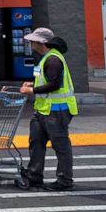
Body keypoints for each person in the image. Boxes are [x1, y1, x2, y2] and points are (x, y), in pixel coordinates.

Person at [19, 27, 77, 191]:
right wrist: (33, 83)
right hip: (44, 110)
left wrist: (31, 90)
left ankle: (65, 180)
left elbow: (54, 84)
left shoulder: (53, 60)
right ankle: (34, 175)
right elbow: (47, 79)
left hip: (57, 111)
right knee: (36, 141)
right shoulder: (45, 58)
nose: (30, 43)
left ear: (41, 42)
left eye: (32, 40)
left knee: (61, 146)